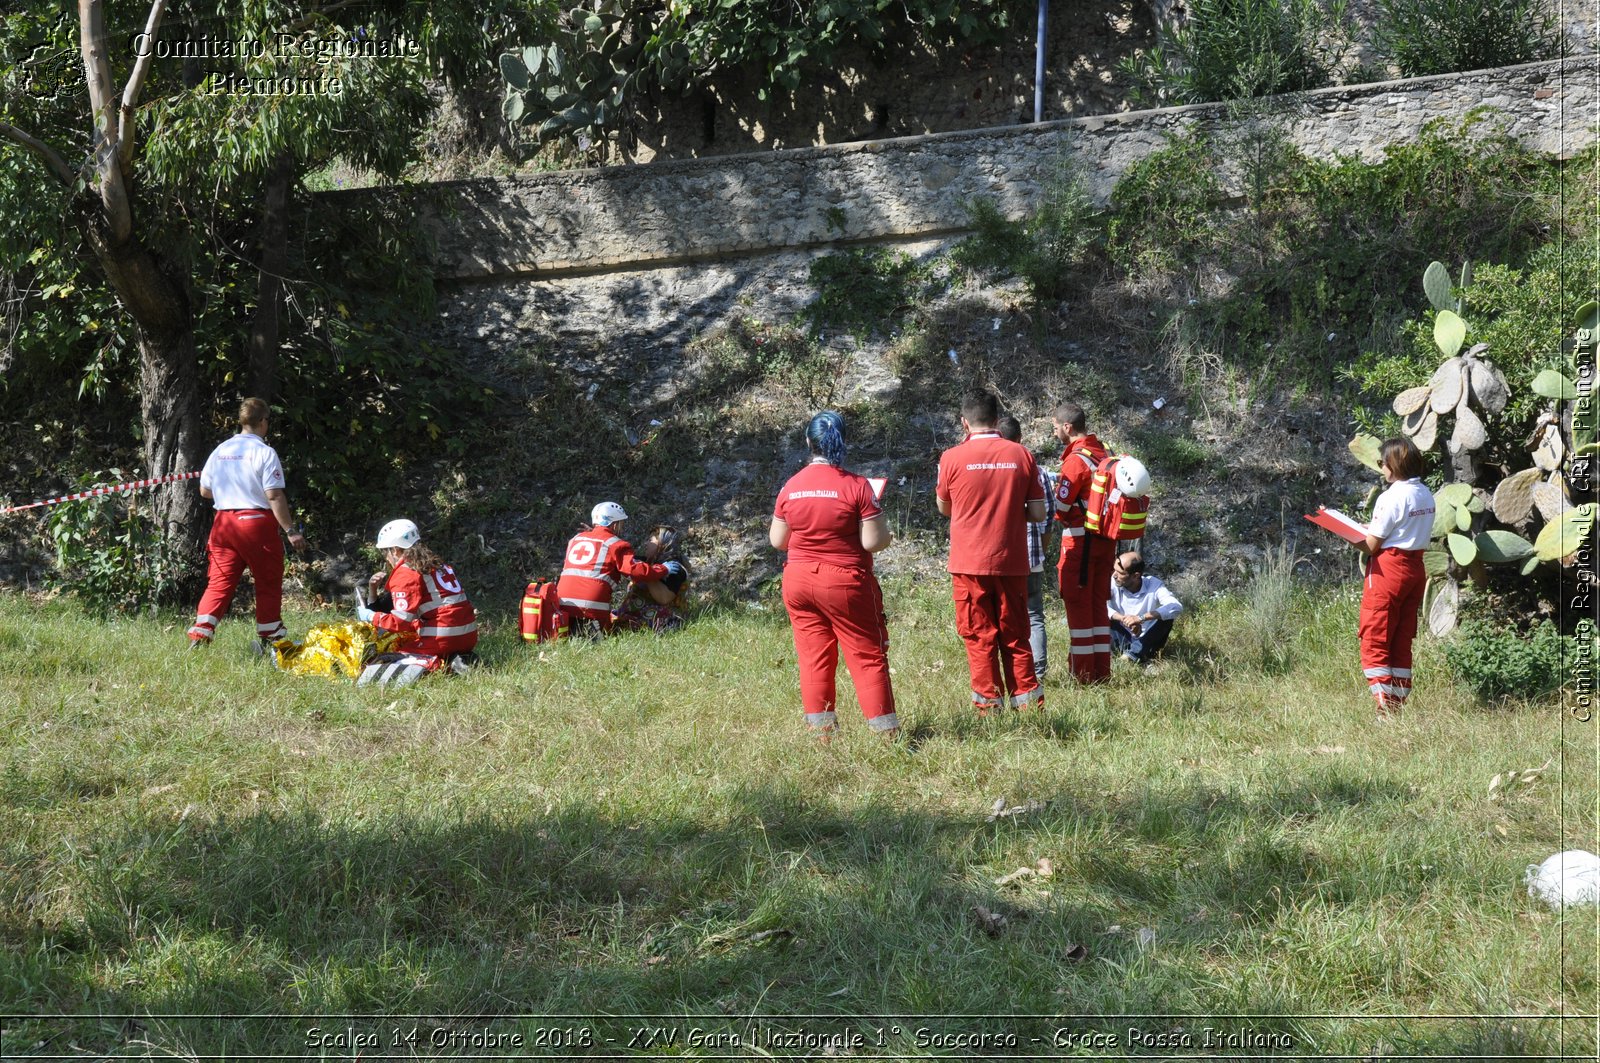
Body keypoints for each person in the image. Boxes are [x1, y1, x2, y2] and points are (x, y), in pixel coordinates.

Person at [770, 411, 897, 740]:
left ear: (808, 442)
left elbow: (778, 541)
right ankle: (886, 736)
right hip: (844, 580)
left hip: (798, 580)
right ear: (842, 442)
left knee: (813, 657)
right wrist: (888, 535)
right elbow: (872, 541)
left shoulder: (790, 486)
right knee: (866, 655)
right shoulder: (857, 486)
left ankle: (822, 734)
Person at [937, 392, 1047, 713]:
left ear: (964, 422)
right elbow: (1038, 513)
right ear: (998, 420)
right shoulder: (1022, 455)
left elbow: (944, 506)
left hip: (968, 563)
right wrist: (1010, 511)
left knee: (978, 636)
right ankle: (1028, 707)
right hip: (1011, 560)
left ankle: (988, 710)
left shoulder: (951, 458)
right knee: (1015, 635)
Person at [188, 397, 307, 649]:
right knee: (267, 580)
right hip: (255, 523)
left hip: (222, 525)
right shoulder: (264, 452)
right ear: (263, 421)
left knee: (219, 581)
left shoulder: (221, 450)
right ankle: (271, 638)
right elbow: (274, 495)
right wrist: (290, 530)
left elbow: (204, 491)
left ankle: (200, 635)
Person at [1356, 437, 1435, 722]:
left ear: (1394, 464)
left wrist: (1351, 535)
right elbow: (1401, 528)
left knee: (1375, 636)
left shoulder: (1390, 496)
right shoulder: (1425, 493)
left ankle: (1383, 708)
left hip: (1388, 569)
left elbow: (1371, 545)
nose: (1381, 469)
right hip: (1415, 568)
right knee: (1401, 638)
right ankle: (1398, 706)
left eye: (1383, 463)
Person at [356, 519, 479, 663]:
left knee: (388, 660)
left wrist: (371, 616)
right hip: (469, 636)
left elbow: (400, 622)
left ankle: (442, 665)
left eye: (385, 552)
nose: (386, 558)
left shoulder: (405, 572)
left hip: (444, 637)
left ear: (395, 550)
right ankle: (456, 658)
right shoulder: (437, 565)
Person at [1052, 402, 1113, 683]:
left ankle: (1082, 675)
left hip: (1079, 544)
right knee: (1098, 605)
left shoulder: (1076, 460)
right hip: (1106, 542)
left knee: (1078, 606)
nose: (1054, 433)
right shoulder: (1104, 452)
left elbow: (1061, 506)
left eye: (1055, 427)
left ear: (1067, 427)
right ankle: (1102, 671)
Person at [997, 414, 1056, 683]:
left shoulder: (993, 472)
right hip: (1032, 557)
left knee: (1001, 615)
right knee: (1033, 615)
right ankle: (1038, 673)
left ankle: (1008, 674)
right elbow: (1048, 517)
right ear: (1020, 439)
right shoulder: (1039, 471)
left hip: (1000, 558)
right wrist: (1039, 554)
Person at [557, 502, 668, 634]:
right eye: (621, 523)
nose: (621, 527)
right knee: (599, 639)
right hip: (591, 607)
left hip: (562, 604)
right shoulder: (616, 544)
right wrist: (662, 569)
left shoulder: (575, 539)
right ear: (614, 524)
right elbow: (636, 570)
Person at [1108, 551, 1182, 665]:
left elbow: (1175, 607)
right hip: (1122, 637)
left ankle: (1132, 656)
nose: (1114, 575)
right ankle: (1135, 656)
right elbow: (1098, 606)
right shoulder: (1113, 582)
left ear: (1136, 576)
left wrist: (1140, 618)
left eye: (1120, 572)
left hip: (1146, 639)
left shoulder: (1153, 584)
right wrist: (1123, 619)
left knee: (1166, 617)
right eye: (1114, 570)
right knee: (1099, 614)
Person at [615, 525, 691, 632]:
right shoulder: (647, 563)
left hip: (663, 623)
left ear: (663, 543)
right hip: (635, 619)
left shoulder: (674, 568)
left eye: (651, 540)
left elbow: (664, 598)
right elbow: (621, 559)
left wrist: (648, 574)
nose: (647, 543)